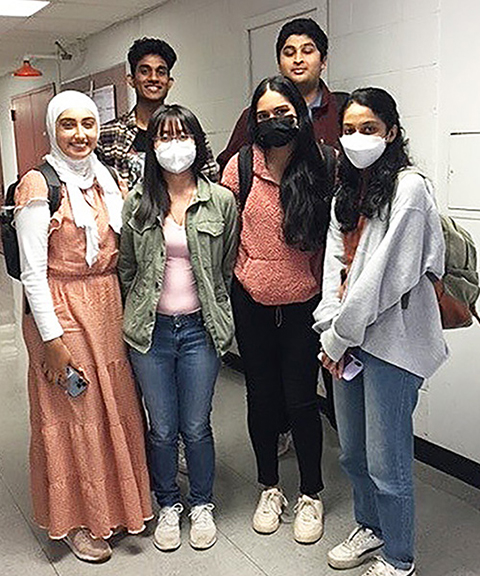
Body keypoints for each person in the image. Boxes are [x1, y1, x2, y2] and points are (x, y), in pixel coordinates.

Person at [314, 87, 449, 576]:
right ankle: (369, 528)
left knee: (387, 462)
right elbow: (334, 263)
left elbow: (383, 280)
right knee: (352, 452)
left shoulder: (410, 190)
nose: (356, 138)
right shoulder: (345, 191)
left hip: (392, 345)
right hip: (345, 341)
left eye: (368, 129)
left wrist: (337, 336)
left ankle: (399, 557)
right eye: (348, 130)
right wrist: (330, 320)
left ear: (391, 132)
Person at [14, 90, 153, 563]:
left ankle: (116, 508)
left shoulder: (106, 179)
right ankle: (77, 520)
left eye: (89, 124)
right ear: (53, 129)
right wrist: (51, 340)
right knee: (76, 412)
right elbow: (34, 271)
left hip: (106, 302)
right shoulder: (38, 185)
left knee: (113, 404)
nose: (80, 135)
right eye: (69, 125)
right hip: (63, 305)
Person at [117, 104, 238, 552]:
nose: (173, 145)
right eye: (164, 137)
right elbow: (127, 268)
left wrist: (212, 310)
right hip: (151, 333)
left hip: (199, 330)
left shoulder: (220, 200)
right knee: (162, 427)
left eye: (181, 135)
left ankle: (201, 503)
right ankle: (168, 503)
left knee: (196, 425)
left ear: (197, 141)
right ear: (152, 146)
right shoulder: (138, 201)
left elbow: (225, 265)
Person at [221, 75, 332, 544]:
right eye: (263, 116)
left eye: (282, 113)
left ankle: (310, 493)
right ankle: (270, 487)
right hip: (253, 304)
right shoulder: (240, 167)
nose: (273, 123)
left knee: (303, 403)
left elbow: (335, 243)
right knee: (261, 400)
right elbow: (223, 237)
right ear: (253, 121)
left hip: (305, 305)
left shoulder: (323, 164)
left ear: (299, 115)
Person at [217, 17, 339, 174]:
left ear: (323, 61)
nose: (298, 59)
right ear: (279, 64)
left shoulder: (341, 110)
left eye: (307, 51)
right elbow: (228, 169)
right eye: (289, 53)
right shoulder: (256, 116)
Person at [96, 37, 218, 188]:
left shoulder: (189, 132)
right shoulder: (108, 135)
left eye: (161, 72)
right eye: (145, 71)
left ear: (169, 82)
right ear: (131, 80)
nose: (153, 78)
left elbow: (210, 183)